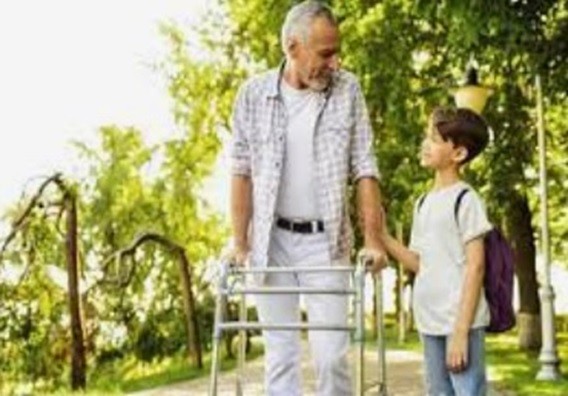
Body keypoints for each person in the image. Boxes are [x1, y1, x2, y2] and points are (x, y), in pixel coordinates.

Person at [228, 1, 386, 394]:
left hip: (325, 242)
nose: (335, 62)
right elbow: (241, 170)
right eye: (326, 53)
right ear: (292, 47)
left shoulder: (348, 89)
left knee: (332, 356)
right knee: (280, 359)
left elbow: (364, 166)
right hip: (272, 241)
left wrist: (373, 241)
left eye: (336, 51)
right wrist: (239, 243)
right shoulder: (253, 94)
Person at [380, 107, 492, 395]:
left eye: (434, 138)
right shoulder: (423, 203)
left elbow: (476, 267)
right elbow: (420, 264)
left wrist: (460, 332)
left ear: (458, 154)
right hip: (430, 322)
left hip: (459, 324)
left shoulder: (466, 200)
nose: (425, 144)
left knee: (467, 391)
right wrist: (383, 236)